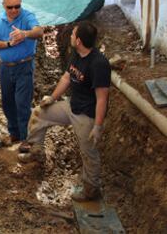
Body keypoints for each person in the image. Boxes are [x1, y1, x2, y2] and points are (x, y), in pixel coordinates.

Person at [18, 22, 111, 201]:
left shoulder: (99, 64)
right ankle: (36, 152)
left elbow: (102, 98)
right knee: (39, 113)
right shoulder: (77, 54)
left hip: (86, 114)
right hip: (71, 105)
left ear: (79, 40)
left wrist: (98, 126)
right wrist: (52, 98)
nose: (69, 36)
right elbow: (67, 77)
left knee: (88, 151)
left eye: (72, 34)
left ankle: (91, 188)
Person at [0, 0, 44, 145]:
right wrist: (8, 43)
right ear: (3, 5)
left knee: (22, 103)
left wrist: (24, 34)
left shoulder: (27, 17)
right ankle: (15, 133)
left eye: (17, 6)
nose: (14, 10)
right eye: (10, 7)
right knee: (7, 102)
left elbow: (39, 31)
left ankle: (26, 139)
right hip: (5, 68)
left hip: (24, 66)